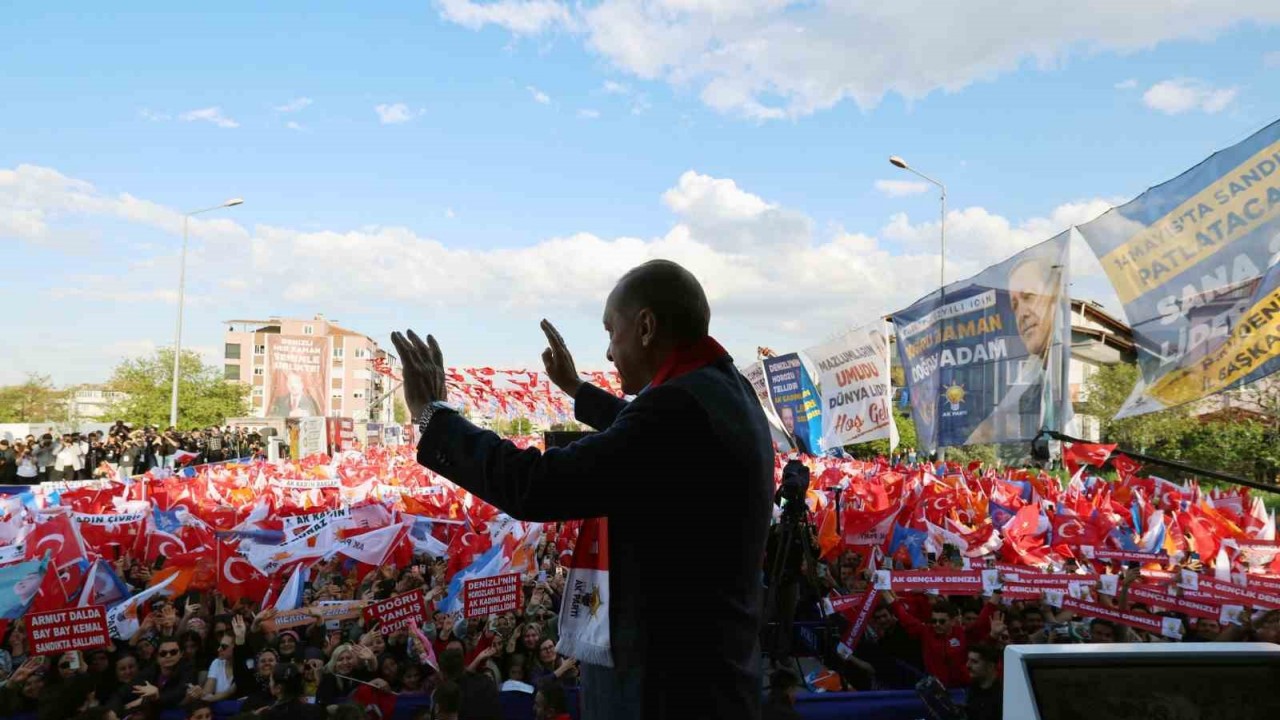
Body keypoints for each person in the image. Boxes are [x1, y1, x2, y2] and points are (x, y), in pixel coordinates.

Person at [392, 259, 774, 720]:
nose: (609, 353)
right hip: (710, 676)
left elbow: (538, 485)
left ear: (646, 327)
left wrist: (434, 416)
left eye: (612, 332)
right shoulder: (723, 389)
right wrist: (575, 388)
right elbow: (640, 434)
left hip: (668, 691)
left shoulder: (677, 407)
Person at [964, 643, 1002, 720]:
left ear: (990, 666)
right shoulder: (974, 687)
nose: (968, 665)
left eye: (974, 662)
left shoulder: (1002, 695)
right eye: (968, 660)